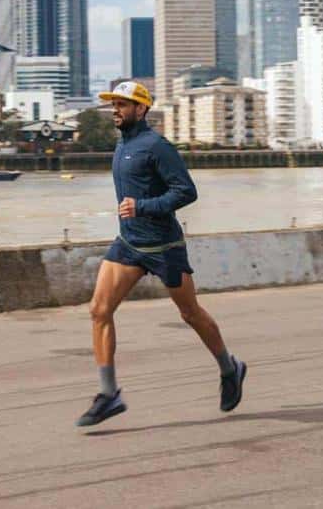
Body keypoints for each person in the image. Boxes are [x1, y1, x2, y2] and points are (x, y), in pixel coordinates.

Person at [76, 81, 247, 427]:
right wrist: (134, 215)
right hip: (129, 244)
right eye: (114, 104)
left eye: (123, 105)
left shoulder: (156, 146)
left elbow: (186, 191)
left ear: (141, 109)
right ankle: (109, 395)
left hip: (164, 247)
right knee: (99, 310)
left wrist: (143, 206)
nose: (115, 110)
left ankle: (230, 369)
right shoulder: (122, 146)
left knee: (190, 314)